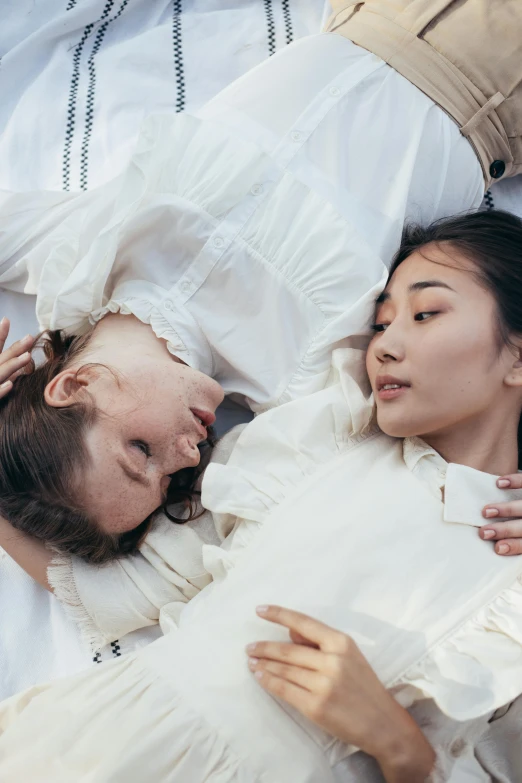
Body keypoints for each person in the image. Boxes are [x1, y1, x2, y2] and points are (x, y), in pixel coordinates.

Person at [2, 210, 522, 782]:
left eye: (426, 314)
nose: (386, 346)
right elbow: (128, 590)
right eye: (380, 324)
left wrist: (399, 747)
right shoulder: (323, 436)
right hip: (95, 748)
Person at [4, 0, 516, 564]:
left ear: (71, 387)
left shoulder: (79, 254)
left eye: (140, 451)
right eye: (166, 481)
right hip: (494, 77)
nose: (184, 456)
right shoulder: (299, 386)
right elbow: (433, 464)